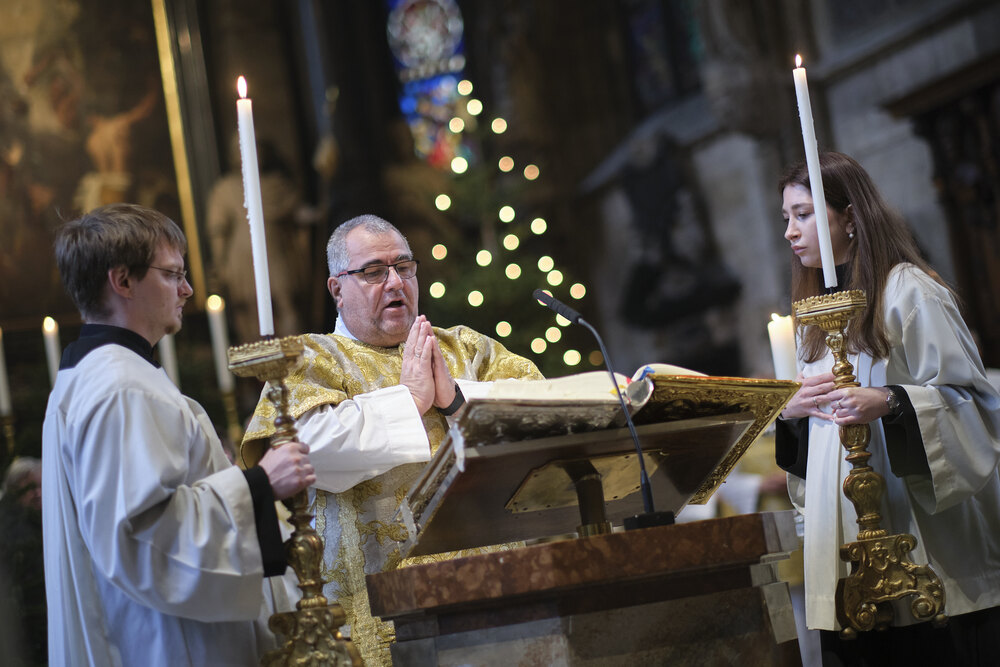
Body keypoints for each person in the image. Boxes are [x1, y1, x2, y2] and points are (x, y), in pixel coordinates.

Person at [244, 214, 543, 665]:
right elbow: (308, 452)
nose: (395, 282)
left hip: (500, 594)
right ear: (336, 288)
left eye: (404, 267)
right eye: (373, 271)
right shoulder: (309, 359)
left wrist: (456, 401)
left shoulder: (464, 348)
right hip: (388, 614)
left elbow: (542, 409)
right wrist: (410, 400)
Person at [42, 203, 316, 667]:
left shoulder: (98, 376)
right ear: (122, 281)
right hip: (168, 643)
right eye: (172, 275)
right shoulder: (121, 387)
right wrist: (259, 484)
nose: (187, 290)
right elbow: (141, 537)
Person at [775, 151, 1000, 665]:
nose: (789, 231)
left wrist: (892, 401)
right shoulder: (814, 316)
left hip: (927, 545)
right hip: (848, 550)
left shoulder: (908, 290)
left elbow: (975, 404)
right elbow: (816, 444)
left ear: (850, 216)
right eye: (786, 217)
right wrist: (790, 414)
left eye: (803, 214)